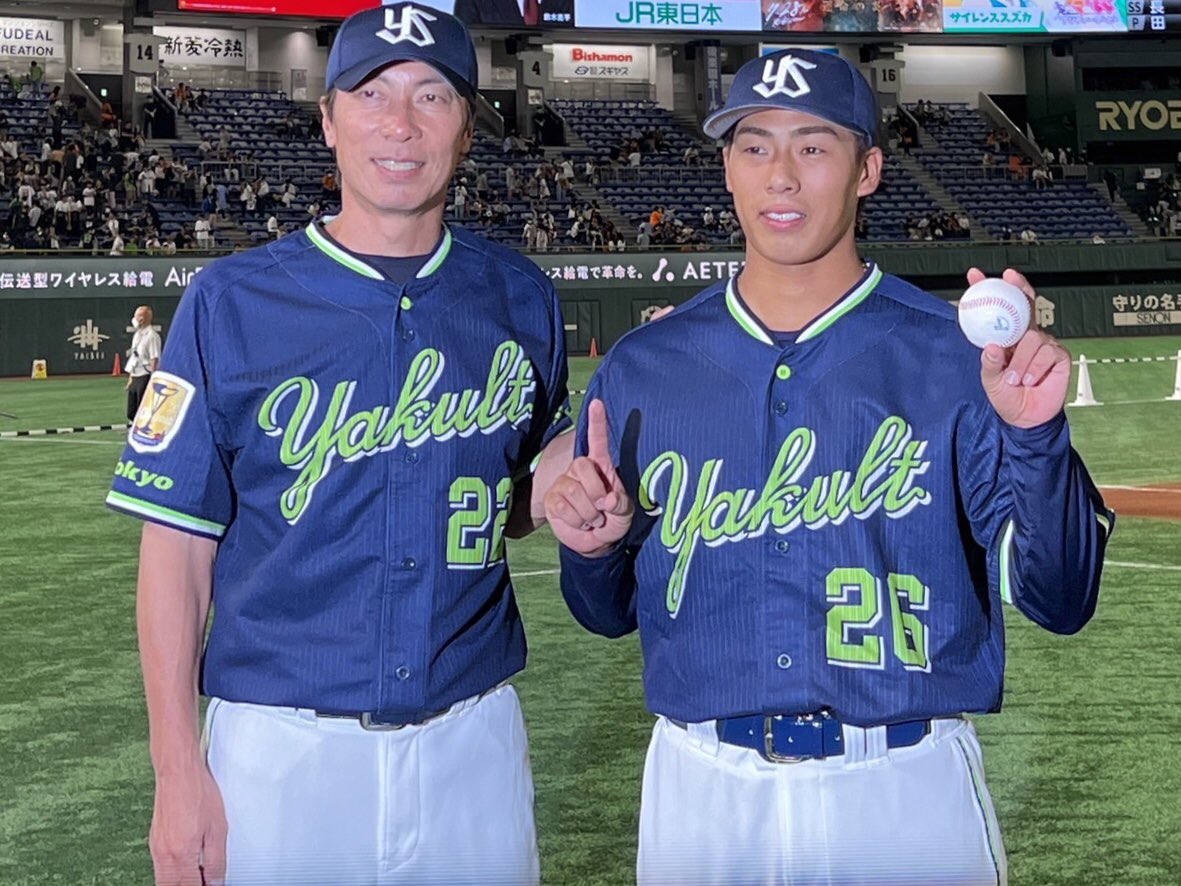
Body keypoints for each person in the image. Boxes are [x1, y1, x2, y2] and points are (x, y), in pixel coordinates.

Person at [544, 49, 1113, 886]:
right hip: (702, 791)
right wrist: (592, 553)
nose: (780, 174)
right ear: (727, 170)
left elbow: (1060, 602)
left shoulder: (954, 357)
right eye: (754, 146)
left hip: (904, 786)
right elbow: (606, 615)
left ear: (867, 170)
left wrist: (1035, 437)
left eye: (812, 147)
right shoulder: (644, 366)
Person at [105, 5, 572, 884]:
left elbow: (517, 488)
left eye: (431, 96)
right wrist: (176, 772)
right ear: (327, 120)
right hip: (281, 752)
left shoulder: (519, 296)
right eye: (370, 93)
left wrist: (565, 483)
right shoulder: (230, 301)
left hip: (472, 743)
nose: (400, 124)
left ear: (466, 127)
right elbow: (175, 549)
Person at [125, 305, 162, 422]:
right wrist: (130, 378)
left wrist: (153, 379)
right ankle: (133, 426)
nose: (134, 319)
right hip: (135, 374)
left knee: (143, 408)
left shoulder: (152, 336)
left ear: (142, 318)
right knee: (131, 411)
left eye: (136, 316)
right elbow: (134, 357)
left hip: (145, 375)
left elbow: (154, 358)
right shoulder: (137, 335)